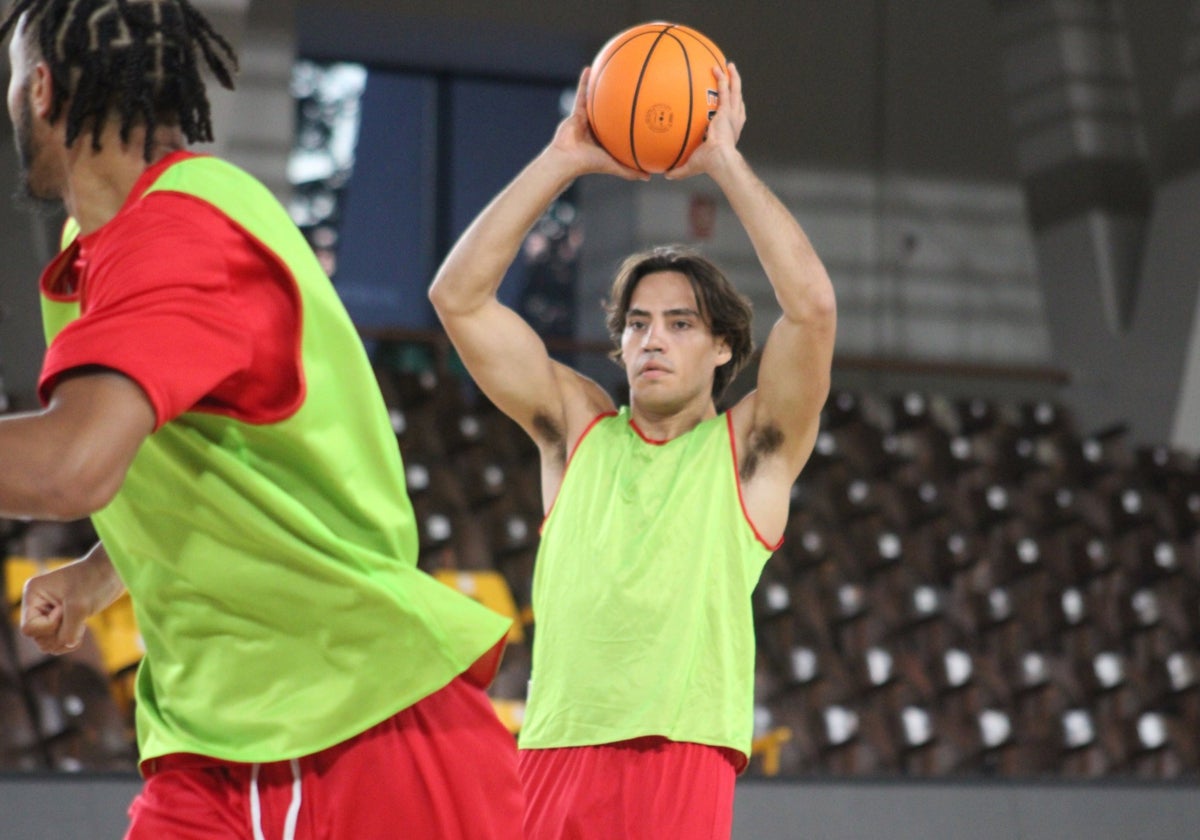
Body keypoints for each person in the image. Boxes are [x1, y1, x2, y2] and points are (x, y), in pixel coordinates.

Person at [1, 2, 523, 837]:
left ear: (41, 88)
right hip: (224, 734)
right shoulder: (109, 246)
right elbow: (219, 455)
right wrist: (103, 570)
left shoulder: (182, 231)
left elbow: (72, 467)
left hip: (352, 723)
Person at [429, 59, 837, 839]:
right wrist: (564, 159)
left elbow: (813, 309)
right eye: (638, 323)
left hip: (678, 755)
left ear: (724, 349)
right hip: (551, 750)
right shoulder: (576, 427)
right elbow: (457, 298)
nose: (653, 339)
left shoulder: (751, 448)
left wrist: (724, 162)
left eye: (681, 323)